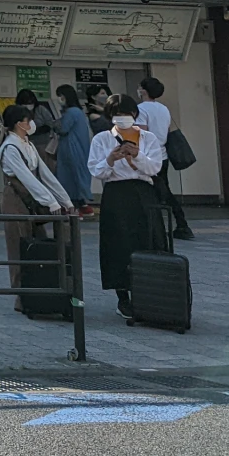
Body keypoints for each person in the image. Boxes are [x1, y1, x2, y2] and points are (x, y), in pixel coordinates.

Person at [88, 96, 167, 318]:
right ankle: (123, 298)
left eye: (126, 113)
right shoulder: (102, 139)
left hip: (143, 193)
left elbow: (154, 167)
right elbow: (96, 171)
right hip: (116, 194)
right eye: (116, 114)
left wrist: (136, 154)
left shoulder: (147, 138)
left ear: (134, 114)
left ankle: (149, 294)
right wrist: (111, 160)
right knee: (118, 245)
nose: (122, 118)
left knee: (149, 241)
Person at [0, 103, 73, 309]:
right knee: (18, 246)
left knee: (37, 244)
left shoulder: (28, 145)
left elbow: (46, 176)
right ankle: (21, 295)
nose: (31, 123)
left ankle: (38, 290)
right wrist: (50, 202)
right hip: (16, 199)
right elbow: (26, 178)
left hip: (31, 200)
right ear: (19, 124)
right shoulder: (10, 147)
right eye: (27, 120)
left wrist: (64, 200)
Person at [137, 76, 193, 240]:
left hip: (148, 156)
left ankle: (172, 225)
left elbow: (142, 134)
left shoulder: (141, 109)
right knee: (163, 189)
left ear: (144, 91)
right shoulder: (164, 109)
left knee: (156, 191)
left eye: (140, 87)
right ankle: (180, 223)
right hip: (163, 155)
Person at [52, 84, 94, 214]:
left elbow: (63, 129)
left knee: (68, 178)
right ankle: (82, 204)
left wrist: (54, 124)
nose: (59, 98)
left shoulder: (71, 112)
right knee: (78, 177)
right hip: (80, 149)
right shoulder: (79, 111)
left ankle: (73, 207)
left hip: (70, 150)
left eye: (60, 96)